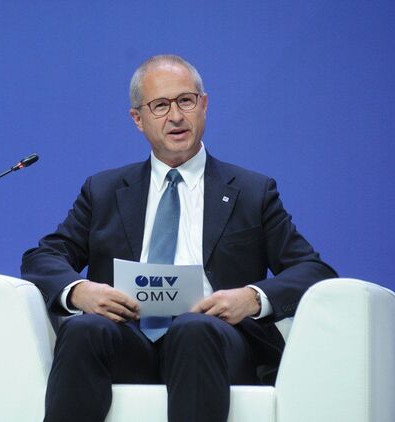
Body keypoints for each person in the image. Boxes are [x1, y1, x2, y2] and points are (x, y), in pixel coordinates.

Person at [21, 54, 337, 422]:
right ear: (137, 119)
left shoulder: (252, 191)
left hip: (217, 339)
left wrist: (251, 298)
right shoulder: (104, 190)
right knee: (83, 328)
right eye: (160, 106)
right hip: (129, 339)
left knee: (193, 329)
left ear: (204, 105)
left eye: (185, 101)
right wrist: (80, 291)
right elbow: (43, 257)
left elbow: (313, 270)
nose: (175, 116)